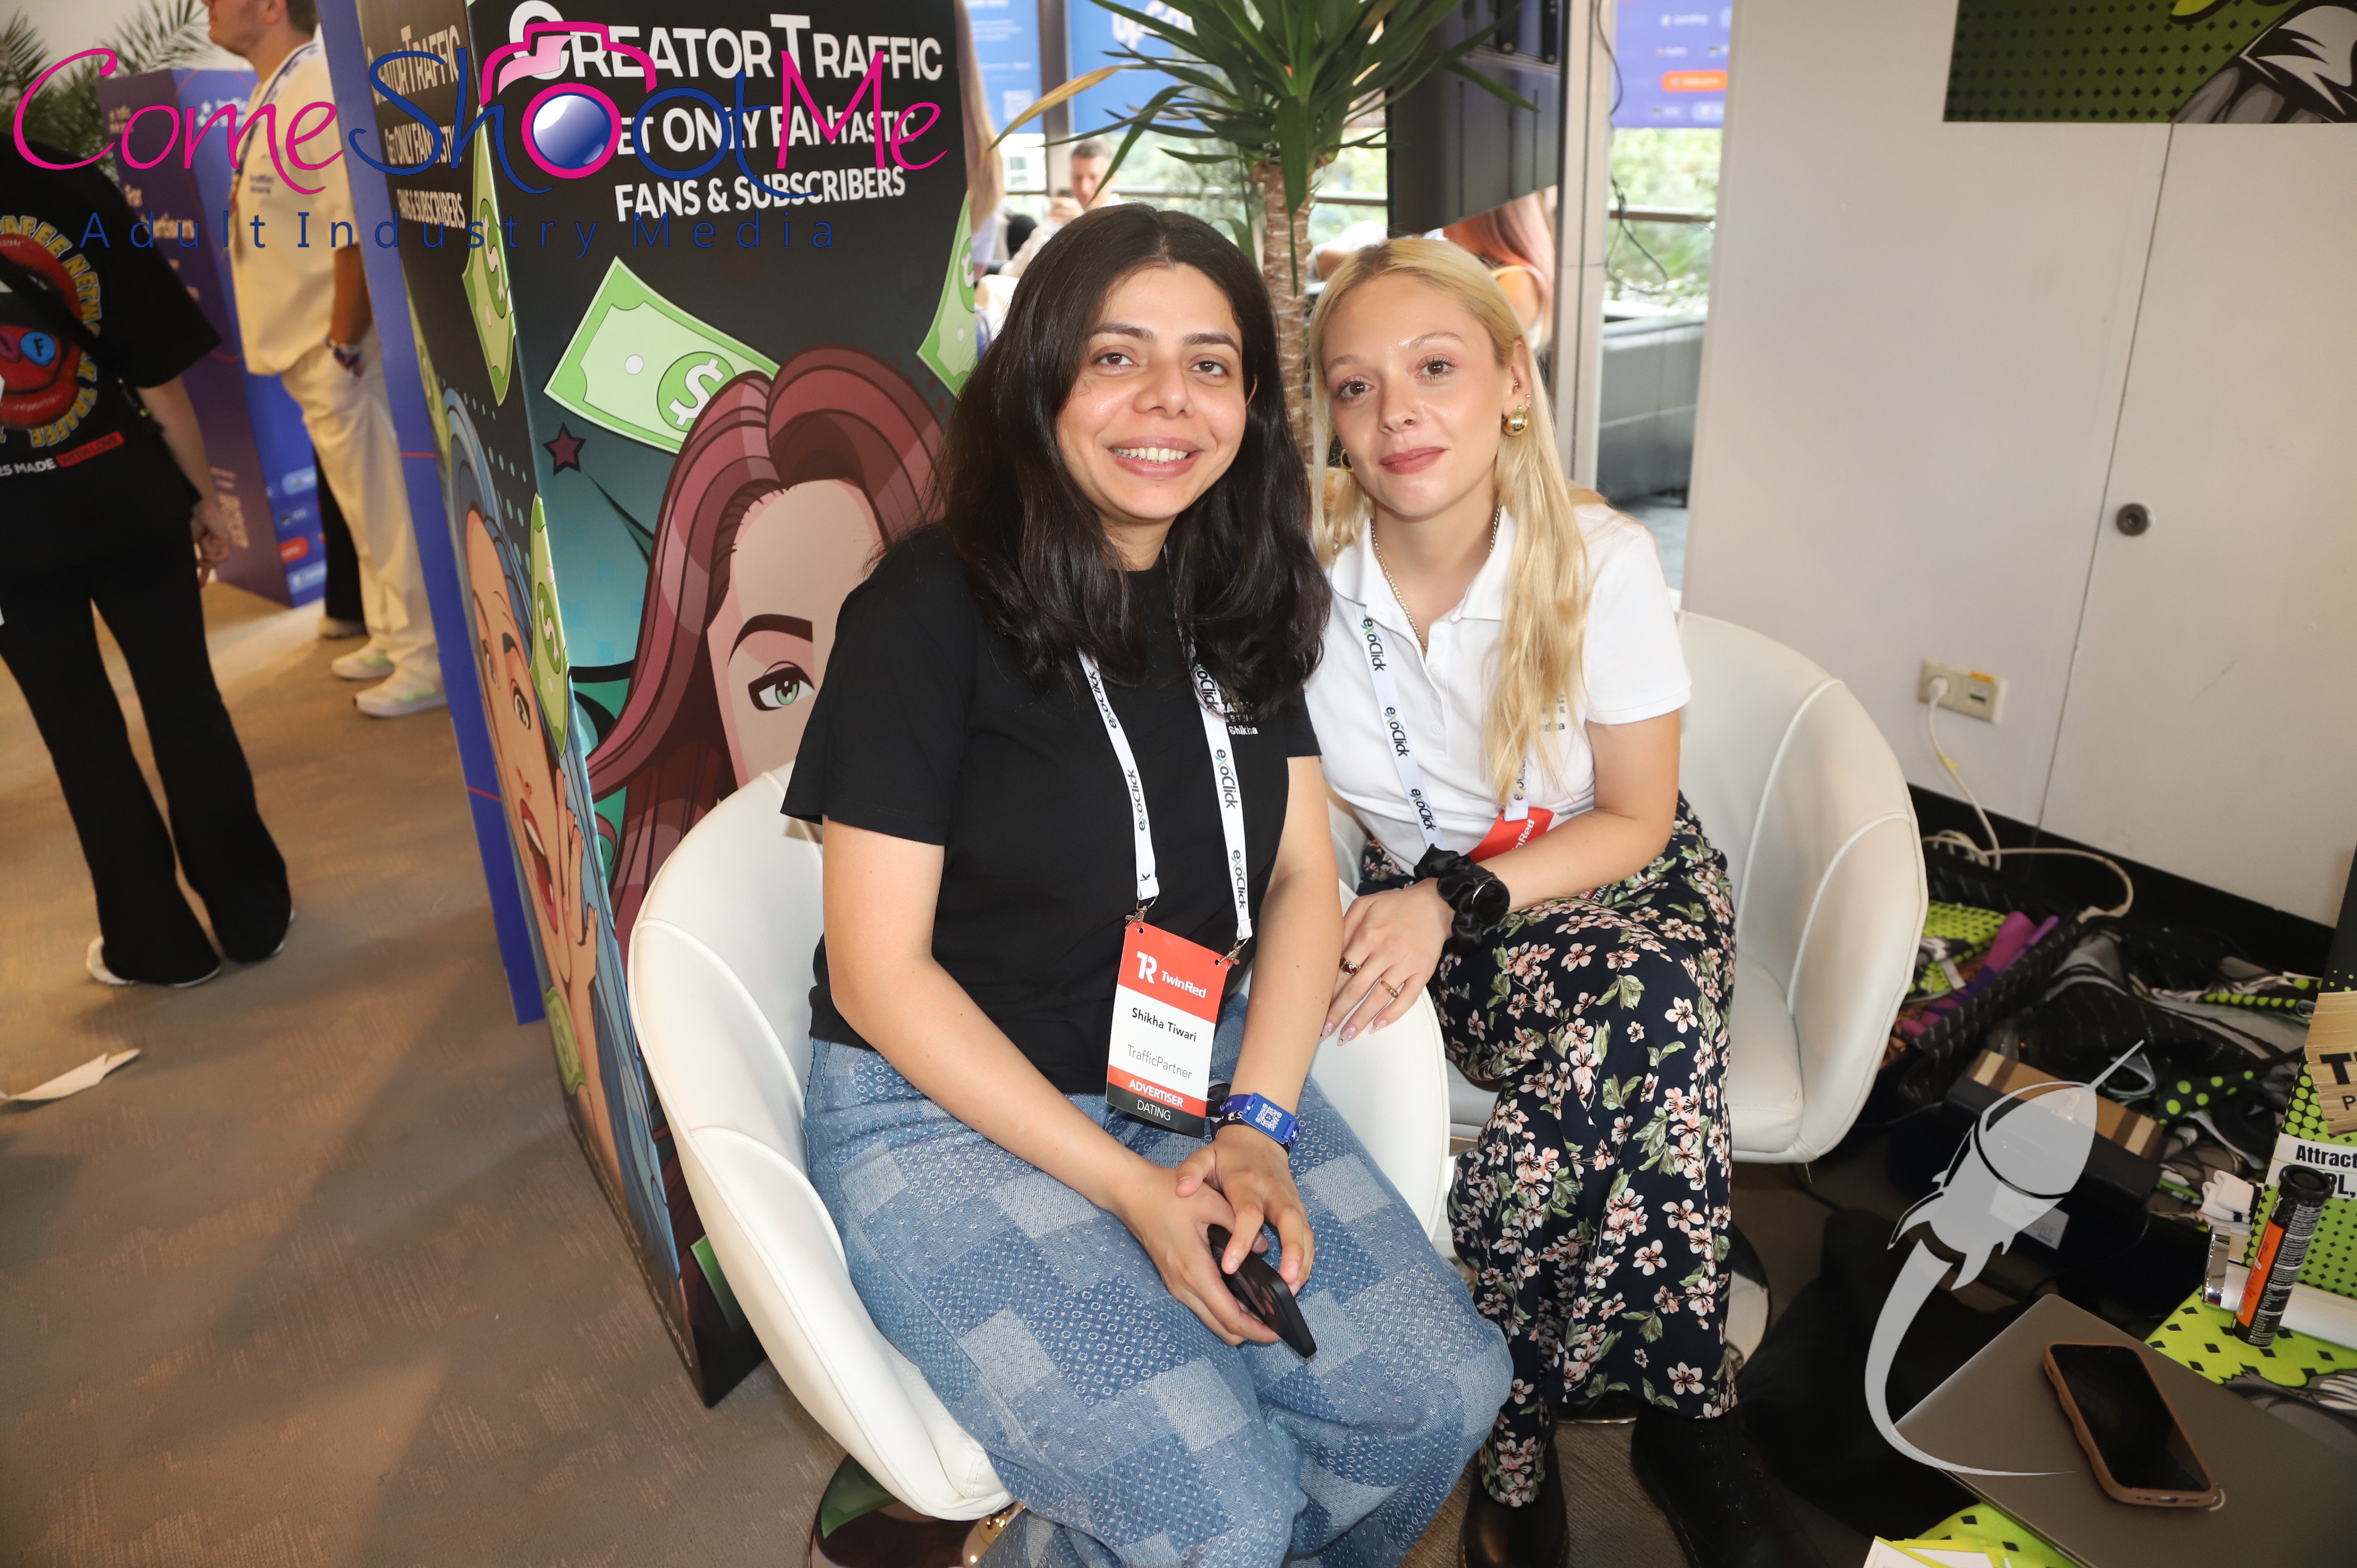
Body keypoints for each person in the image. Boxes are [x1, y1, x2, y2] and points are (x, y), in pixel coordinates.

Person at [785, 204, 1511, 1568]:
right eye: (1116, 357)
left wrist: (1258, 1126)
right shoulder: (926, 611)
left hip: (1189, 1062)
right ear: (1039, 378)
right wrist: (1129, 1186)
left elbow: (1298, 871)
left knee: (1439, 1397)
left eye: (1210, 364)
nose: (1168, 400)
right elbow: (880, 977)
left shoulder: (1230, 583)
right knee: (1214, 1511)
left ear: (1251, 401)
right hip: (943, 1107)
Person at [1303, 238, 1820, 1568]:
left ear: (1511, 384)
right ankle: (1687, 1416)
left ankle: (1517, 1434)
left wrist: (1451, 897)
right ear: (1333, 421)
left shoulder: (1599, 559)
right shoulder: (1300, 583)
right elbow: (1298, 823)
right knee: (1645, 1045)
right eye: (1356, 385)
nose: (1396, 410)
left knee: (1640, 1003)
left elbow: (1634, 818)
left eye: (1434, 368)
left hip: (1617, 881)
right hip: (1443, 923)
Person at [1, 135, 291, 986]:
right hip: (127, 493)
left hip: (12, 540)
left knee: (79, 734)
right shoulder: (59, 175)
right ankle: (252, 915)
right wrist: (200, 494)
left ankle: (156, 946)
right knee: (185, 698)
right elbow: (156, 368)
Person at [584, 348, 943, 952]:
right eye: (783, 687)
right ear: (713, 716)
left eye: (889, 654)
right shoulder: (701, 940)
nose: (847, 725)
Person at [206, 0, 445, 717]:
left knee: (385, 507)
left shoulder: (315, 85)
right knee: (363, 507)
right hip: (311, 345)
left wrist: (343, 341)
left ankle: (425, 659)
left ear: (270, 7)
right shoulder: (273, 89)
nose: (207, 7)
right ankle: (391, 633)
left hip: (337, 346)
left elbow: (355, 224)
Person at [998, 138, 1119, 281]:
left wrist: (1080, 223)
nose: (1084, 187)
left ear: (1111, 178)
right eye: (1078, 177)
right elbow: (1015, 269)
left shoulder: (1120, 220)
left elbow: (1102, 273)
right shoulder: (1060, 215)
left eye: (1093, 177)